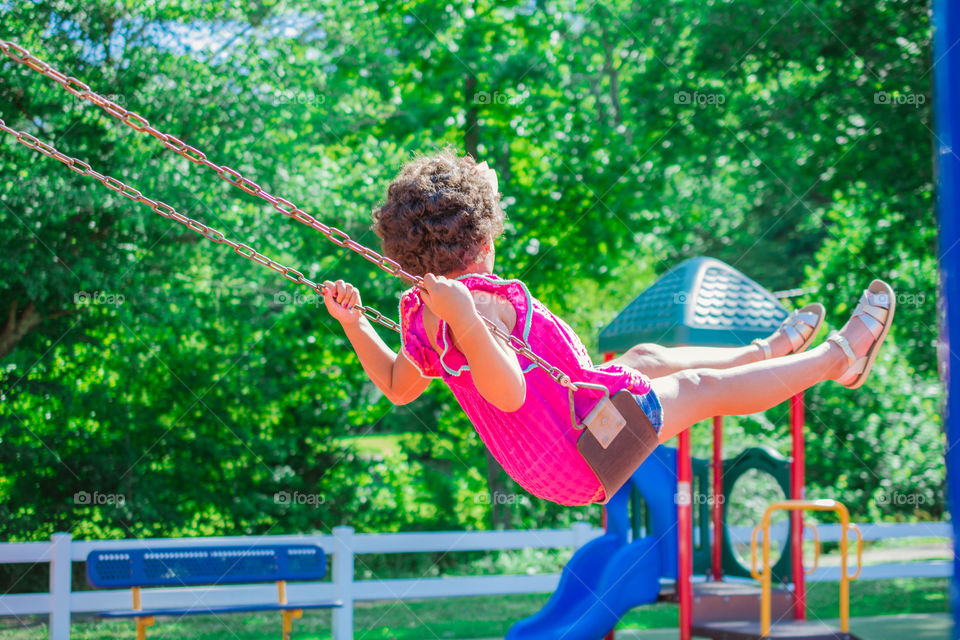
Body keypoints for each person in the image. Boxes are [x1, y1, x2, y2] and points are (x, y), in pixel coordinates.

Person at [322, 150, 895, 506]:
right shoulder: (473, 309)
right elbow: (509, 390)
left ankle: (761, 351)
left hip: (563, 449)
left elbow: (400, 384)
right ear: (486, 241)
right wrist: (469, 321)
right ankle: (837, 360)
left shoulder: (425, 308)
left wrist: (354, 324)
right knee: (699, 391)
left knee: (643, 358)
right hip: (580, 455)